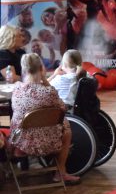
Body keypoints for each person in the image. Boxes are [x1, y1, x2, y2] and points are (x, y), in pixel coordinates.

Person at [9, 52, 80, 183]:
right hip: (49, 142)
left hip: (20, 143)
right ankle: (60, 172)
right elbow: (63, 108)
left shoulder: (17, 89)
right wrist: (46, 81)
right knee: (66, 129)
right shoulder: (49, 92)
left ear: (24, 70)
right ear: (42, 69)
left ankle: (18, 165)